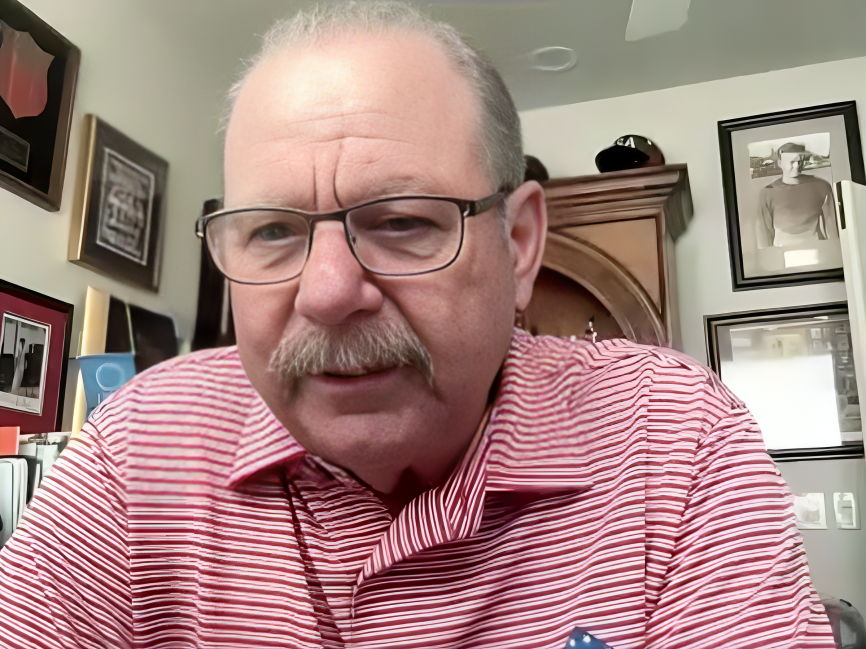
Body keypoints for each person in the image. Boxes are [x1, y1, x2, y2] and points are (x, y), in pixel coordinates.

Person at [0, 3, 834, 648]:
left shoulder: (673, 437)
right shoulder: (141, 445)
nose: (328, 292)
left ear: (518, 243)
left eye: (402, 221)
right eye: (274, 230)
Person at [757, 142, 838, 249]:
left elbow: (832, 227)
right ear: (780, 163)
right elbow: (765, 234)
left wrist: (835, 250)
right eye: (792, 162)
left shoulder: (822, 187)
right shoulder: (767, 193)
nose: (797, 166)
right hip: (784, 253)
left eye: (799, 161)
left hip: (818, 250)